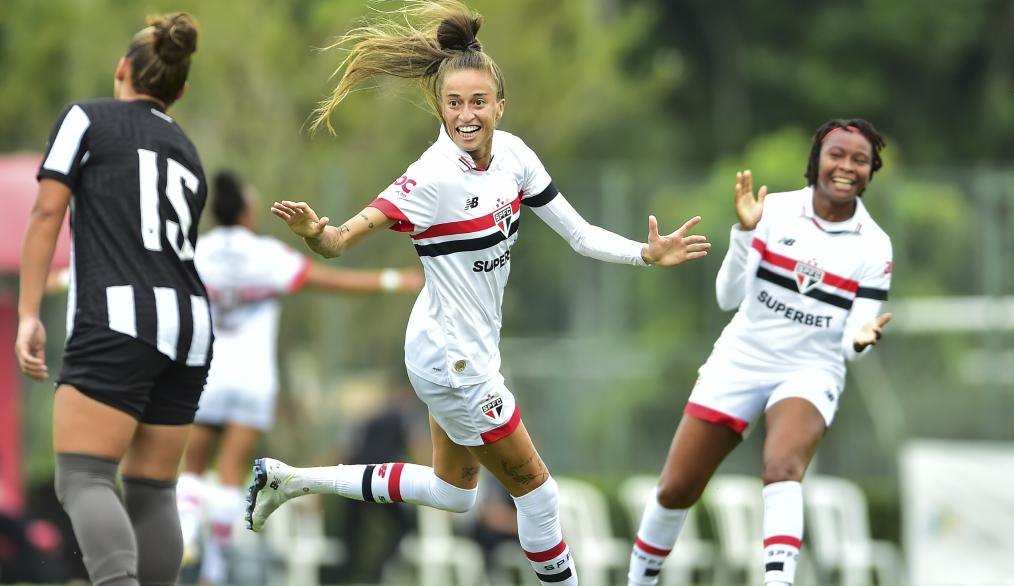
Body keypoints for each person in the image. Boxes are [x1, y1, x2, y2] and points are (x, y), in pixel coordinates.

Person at [243, 2, 710, 585]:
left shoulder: (514, 155)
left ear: (499, 105)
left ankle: (290, 479)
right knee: (539, 495)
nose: (467, 115)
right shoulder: (430, 176)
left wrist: (644, 252)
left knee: (454, 493)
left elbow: (581, 234)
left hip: (461, 349)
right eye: (454, 103)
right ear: (439, 108)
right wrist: (318, 233)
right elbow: (340, 240)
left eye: (478, 102)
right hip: (450, 358)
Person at [626, 119, 894, 586]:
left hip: (811, 369)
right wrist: (746, 233)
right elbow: (726, 298)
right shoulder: (773, 210)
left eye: (860, 160)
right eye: (836, 155)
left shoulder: (875, 246)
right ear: (816, 161)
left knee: (782, 466)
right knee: (676, 488)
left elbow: (856, 338)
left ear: (872, 171)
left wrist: (862, 339)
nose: (846, 166)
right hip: (742, 358)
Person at [15, 13, 208, 586]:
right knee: (153, 490)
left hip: (120, 317)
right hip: (191, 326)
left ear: (122, 69)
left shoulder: (87, 118)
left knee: (83, 477)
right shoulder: (186, 149)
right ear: (180, 90)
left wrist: (28, 313)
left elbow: (47, 211)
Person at [175, 170, 423, 585]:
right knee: (232, 470)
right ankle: (214, 571)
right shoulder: (265, 256)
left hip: (206, 372)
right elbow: (329, 280)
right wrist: (395, 280)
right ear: (249, 212)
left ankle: (184, 530)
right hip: (252, 381)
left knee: (194, 465)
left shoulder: (199, 252)